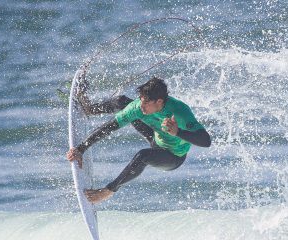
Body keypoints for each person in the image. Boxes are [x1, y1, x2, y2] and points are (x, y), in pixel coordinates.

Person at [66, 75, 211, 204]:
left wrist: (177, 131)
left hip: (173, 157)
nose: (141, 106)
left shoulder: (180, 112)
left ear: (159, 102)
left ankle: (108, 191)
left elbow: (206, 141)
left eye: (146, 103)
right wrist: (80, 149)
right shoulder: (139, 107)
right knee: (122, 101)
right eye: (141, 100)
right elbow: (111, 126)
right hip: (157, 139)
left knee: (143, 156)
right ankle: (90, 109)